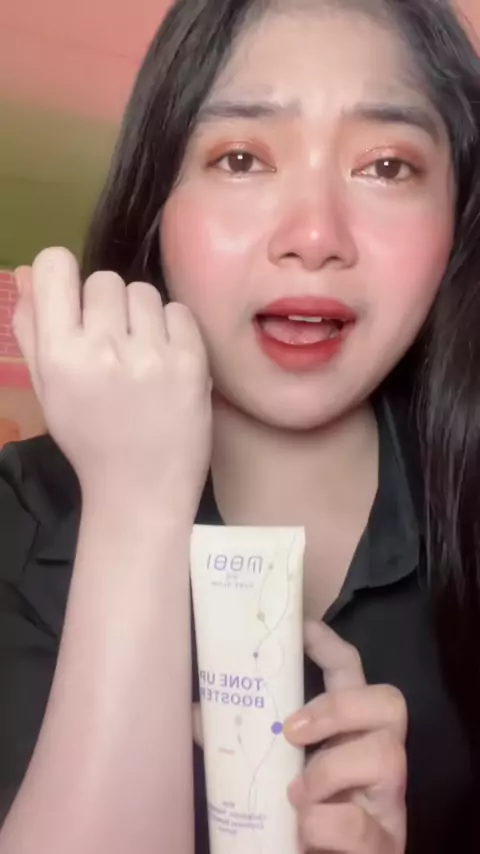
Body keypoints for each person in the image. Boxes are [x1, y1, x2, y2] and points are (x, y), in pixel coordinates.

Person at [0, 0, 479, 851]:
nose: (315, 236)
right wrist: (135, 504)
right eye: (241, 158)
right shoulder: (17, 522)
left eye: (386, 166)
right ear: (156, 201)